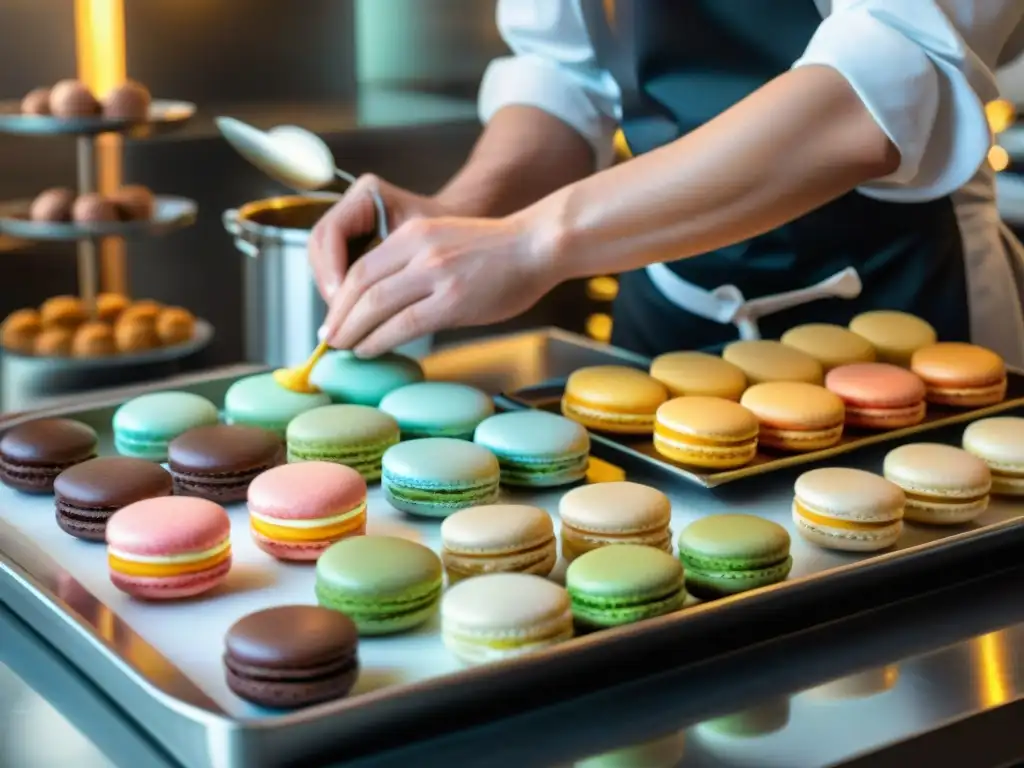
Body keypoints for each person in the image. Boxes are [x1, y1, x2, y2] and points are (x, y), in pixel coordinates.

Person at [310, 0, 1024, 366]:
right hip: (664, 324)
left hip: (905, 308)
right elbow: (570, 76)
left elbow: (875, 96)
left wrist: (533, 243)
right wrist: (462, 214)